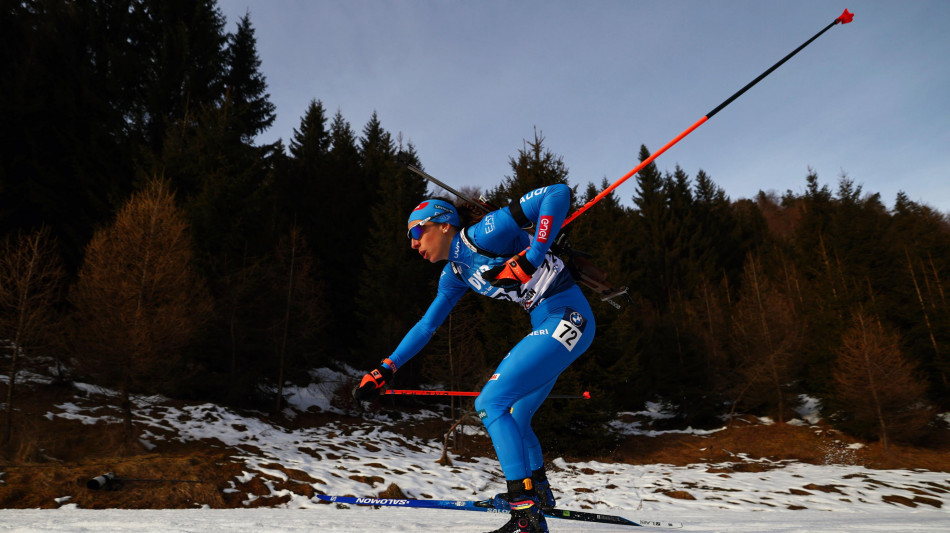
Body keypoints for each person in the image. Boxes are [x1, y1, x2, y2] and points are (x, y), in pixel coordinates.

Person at [354, 184, 595, 533]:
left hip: (568, 316)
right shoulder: (455, 274)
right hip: (551, 322)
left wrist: (533, 256)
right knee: (517, 415)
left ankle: (525, 513)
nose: (413, 243)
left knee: (490, 403)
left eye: (417, 232)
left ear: (444, 225)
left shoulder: (484, 234)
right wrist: (385, 368)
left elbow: (556, 194)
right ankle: (538, 493)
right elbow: (426, 326)